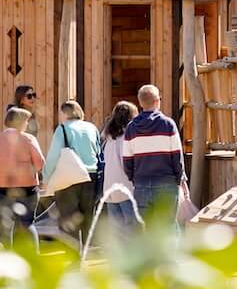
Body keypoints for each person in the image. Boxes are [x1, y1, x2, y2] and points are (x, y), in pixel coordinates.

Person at [0, 107, 46, 248]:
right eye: (25, 121)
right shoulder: (29, 139)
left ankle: (7, 259)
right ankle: (33, 256)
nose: (27, 124)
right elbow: (40, 162)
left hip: (4, 187)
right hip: (28, 186)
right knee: (27, 223)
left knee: (6, 225)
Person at [123, 84, 186, 221]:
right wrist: (178, 179)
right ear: (157, 101)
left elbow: (127, 161)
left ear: (140, 103)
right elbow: (177, 157)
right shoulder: (168, 124)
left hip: (141, 184)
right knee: (166, 231)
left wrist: (135, 179)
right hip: (167, 183)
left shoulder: (131, 128)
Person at [46, 100, 101, 244]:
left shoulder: (63, 129)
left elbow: (53, 156)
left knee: (68, 218)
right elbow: (98, 151)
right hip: (91, 175)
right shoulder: (92, 127)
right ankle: (88, 252)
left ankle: (73, 252)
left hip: (69, 176)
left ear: (64, 113)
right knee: (88, 216)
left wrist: (46, 178)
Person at [101, 101, 139, 230]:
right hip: (126, 187)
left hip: (109, 188)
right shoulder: (127, 137)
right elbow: (127, 163)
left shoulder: (109, 138)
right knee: (132, 229)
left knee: (117, 232)